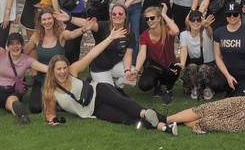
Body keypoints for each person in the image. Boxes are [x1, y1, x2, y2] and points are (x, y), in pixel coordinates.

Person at [43, 27, 179, 135]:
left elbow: (92, 53)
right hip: (94, 110)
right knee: (124, 119)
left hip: (99, 91)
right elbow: (50, 113)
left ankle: (149, 115)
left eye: (64, 68)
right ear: (52, 71)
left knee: (122, 103)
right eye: (58, 69)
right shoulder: (51, 92)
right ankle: (164, 126)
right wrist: (52, 119)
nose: (62, 72)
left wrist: (110, 38)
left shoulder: (72, 70)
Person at [24, 7, 94, 113]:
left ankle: (58, 100)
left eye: (49, 19)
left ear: (54, 20)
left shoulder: (61, 35)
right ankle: (55, 101)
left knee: (67, 104)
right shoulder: (36, 37)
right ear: (40, 22)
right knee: (35, 108)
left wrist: (84, 29)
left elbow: (72, 34)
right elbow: (24, 53)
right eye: (44, 19)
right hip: (42, 78)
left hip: (59, 77)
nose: (47, 22)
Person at [65, 3, 136, 91]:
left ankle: (117, 86)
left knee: (132, 71)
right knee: (109, 94)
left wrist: (127, 71)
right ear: (111, 15)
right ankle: (93, 82)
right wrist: (70, 19)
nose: (117, 16)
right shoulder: (103, 26)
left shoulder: (130, 33)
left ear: (125, 16)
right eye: (114, 14)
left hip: (114, 65)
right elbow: (88, 24)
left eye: (120, 13)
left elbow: (128, 56)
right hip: (100, 68)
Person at [127, 3, 181, 106]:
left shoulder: (167, 31)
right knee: (143, 85)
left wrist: (164, 14)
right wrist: (136, 70)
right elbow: (142, 53)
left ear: (159, 18)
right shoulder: (144, 36)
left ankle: (168, 91)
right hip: (154, 66)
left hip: (169, 67)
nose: (149, 21)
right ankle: (157, 84)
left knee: (172, 69)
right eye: (147, 19)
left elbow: (176, 31)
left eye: (152, 18)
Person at [210, 2, 245, 97]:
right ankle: (233, 88)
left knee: (238, 98)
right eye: (229, 14)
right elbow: (218, 57)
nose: (232, 17)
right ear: (226, 16)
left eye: (235, 14)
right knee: (215, 85)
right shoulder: (219, 32)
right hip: (228, 71)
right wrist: (227, 76)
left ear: (240, 15)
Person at [178, 10, 217, 101]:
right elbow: (183, 49)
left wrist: (205, 26)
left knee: (203, 68)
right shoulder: (184, 34)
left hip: (209, 66)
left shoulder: (206, 31)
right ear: (189, 21)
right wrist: (182, 64)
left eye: (198, 20)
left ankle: (208, 88)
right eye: (193, 19)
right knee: (191, 67)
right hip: (196, 65)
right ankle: (195, 87)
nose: (196, 22)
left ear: (202, 20)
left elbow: (210, 33)